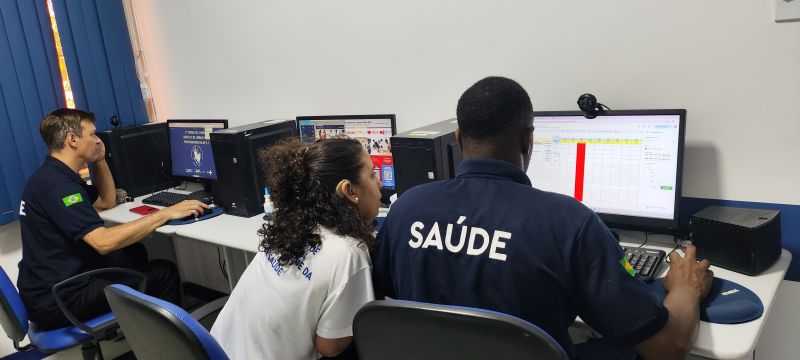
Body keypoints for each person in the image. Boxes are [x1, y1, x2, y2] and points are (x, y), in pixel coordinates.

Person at [372, 77, 713, 359]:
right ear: (528, 138)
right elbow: (667, 346)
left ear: (459, 139)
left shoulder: (406, 209)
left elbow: (386, 295)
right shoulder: (569, 224)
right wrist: (686, 289)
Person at [17, 108, 209, 330]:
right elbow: (103, 242)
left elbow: (106, 201)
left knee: (133, 252)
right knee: (164, 273)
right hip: (60, 297)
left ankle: (140, 327)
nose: (98, 140)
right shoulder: (57, 186)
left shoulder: (54, 176)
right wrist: (166, 213)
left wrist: (99, 160)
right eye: (93, 135)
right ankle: (168, 345)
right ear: (72, 140)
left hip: (50, 284)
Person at [211, 137, 382, 359]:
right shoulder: (348, 252)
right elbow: (330, 346)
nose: (379, 184)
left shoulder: (289, 225)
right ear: (349, 191)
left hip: (217, 351)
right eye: (371, 175)